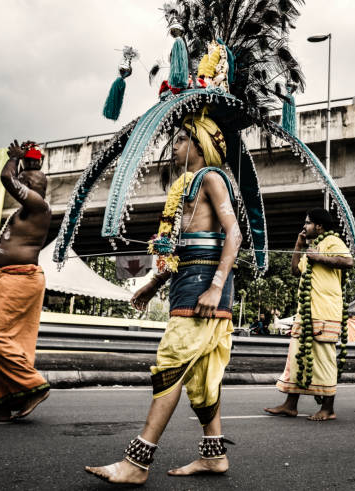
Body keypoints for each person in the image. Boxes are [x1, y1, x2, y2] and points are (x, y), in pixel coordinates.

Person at [85, 113, 242, 484]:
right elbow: (180, 247)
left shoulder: (212, 178)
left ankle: (136, 463)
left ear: (201, 145)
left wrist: (216, 286)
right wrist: (153, 285)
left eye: (182, 139)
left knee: (171, 364)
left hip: (204, 286)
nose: (174, 146)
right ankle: (214, 456)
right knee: (201, 377)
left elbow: (233, 234)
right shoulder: (187, 184)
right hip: (187, 282)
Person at [0, 141, 51, 422]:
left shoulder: (38, 205)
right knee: (8, 341)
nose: (26, 183)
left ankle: (31, 385)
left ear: (40, 188)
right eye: (26, 179)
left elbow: (8, 178)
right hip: (12, 278)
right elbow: (17, 177)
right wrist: (28, 163)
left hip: (19, 278)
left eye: (32, 181)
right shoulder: (24, 210)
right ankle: (4, 401)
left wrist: (14, 160)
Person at [265, 209, 353, 421]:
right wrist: (299, 247)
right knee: (297, 357)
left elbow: (348, 261)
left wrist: (320, 257)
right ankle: (290, 405)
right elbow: (296, 271)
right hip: (305, 312)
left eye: (308, 223)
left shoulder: (332, 240)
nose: (304, 227)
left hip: (325, 311)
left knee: (323, 360)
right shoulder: (312, 246)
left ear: (319, 226)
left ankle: (328, 408)